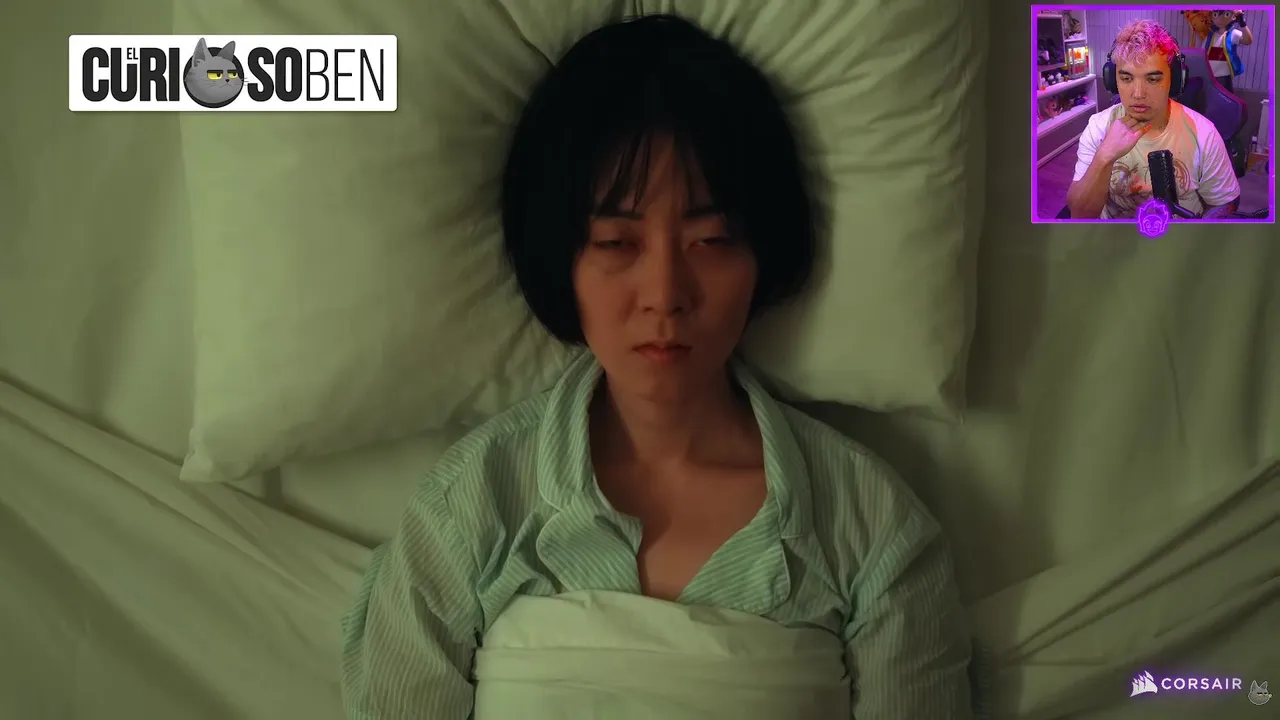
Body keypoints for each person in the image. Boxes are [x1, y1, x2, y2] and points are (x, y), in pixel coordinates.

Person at [339, 12, 973, 720]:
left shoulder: (872, 529)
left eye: (712, 240)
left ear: (763, 254)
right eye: (616, 243)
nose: (666, 294)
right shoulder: (469, 508)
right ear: (560, 257)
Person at [1066, 19, 1241, 219]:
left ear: (1175, 81)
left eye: (1153, 79)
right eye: (1126, 78)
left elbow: (1224, 204)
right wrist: (1104, 157)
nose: (1138, 94)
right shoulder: (1098, 128)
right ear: (1112, 80)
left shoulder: (1204, 134)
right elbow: (1080, 215)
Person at [1204, 9, 1254, 94]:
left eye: (1226, 14)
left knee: (1226, 97)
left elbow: (1248, 40)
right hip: (1210, 75)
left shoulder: (1233, 34)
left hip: (1224, 75)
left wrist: (1242, 23)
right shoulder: (1210, 35)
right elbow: (1203, 53)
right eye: (1215, 15)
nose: (1219, 19)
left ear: (1233, 17)